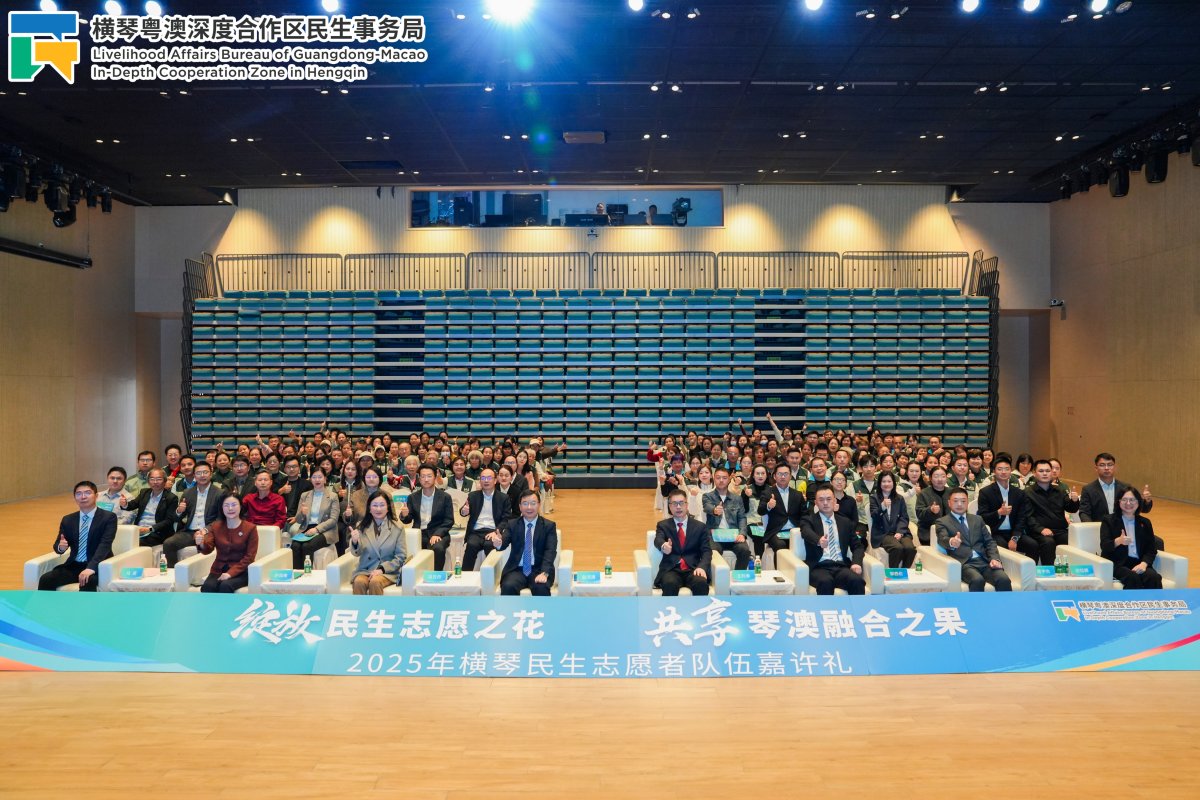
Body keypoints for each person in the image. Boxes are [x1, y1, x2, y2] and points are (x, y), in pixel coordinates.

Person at [38, 481, 118, 591]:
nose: (83, 497)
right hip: (74, 565)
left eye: (87, 493)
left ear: (96, 496)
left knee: (87, 580)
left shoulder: (108, 517)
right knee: (46, 579)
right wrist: (61, 547)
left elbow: (105, 545)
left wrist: (91, 568)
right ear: (75, 498)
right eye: (79, 494)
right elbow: (58, 545)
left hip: (98, 565)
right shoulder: (68, 519)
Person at [936, 487, 1011, 592]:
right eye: (955, 501)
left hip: (984, 561)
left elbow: (989, 542)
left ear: (968, 502)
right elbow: (942, 538)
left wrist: (995, 559)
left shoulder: (977, 519)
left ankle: (1005, 603)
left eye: (963, 501)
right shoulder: (942, 521)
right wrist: (951, 542)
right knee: (977, 580)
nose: (959, 504)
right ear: (949, 503)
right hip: (964, 563)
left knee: (1003, 579)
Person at [799, 486, 866, 595]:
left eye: (829, 499)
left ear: (835, 501)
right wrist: (818, 540)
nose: (825, 503)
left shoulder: (845, 522)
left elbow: (858, 546)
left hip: (841, 566)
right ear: (816, 503)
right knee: (826, 582)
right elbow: (805, 531)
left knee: (856, 581)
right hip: (818, 567)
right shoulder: (808, 520)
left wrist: (856, 563)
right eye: (821, 500)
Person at [976, 453, 1038, 563]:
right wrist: (998, 513)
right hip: (995, 532)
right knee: (1003, 547)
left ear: (1011, 471)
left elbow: (1021, 518)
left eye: (1006, 469)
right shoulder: (985, 492)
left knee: (1033, 545)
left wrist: (1015, 538)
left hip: (1013, 532)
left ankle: (1029, 572)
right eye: (1000, 469)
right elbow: (982, 517)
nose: (1003, 472)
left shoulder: (1018, 493)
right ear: (994, 472)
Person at [1099, 486, 1162, 590]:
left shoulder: (1145, 523)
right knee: (1133, 578)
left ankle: (1154, 601)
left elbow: (1151, 550)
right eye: (1124, 500)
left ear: (1138, 502)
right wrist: (1118, 541)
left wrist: (1144, 564)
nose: (1128, 503)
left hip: (1139, 562)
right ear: (1119, 502)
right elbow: (1104, 546)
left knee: (1153, 577)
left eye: (1132, 500)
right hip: (1118, 564)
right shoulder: (1109, 520)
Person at [496, 490, 558, 596]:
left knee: (541, 588)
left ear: (539, 505)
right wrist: (499, 543)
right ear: (520, 507)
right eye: (525, 503)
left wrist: (544, 573)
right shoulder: (512, 524)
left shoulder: (548, 526)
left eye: (533, 503)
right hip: (517, 570)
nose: (529, 507)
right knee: (508, 586)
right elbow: (503, 543)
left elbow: (550, 551)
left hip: (539, 570)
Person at [162, 461, 223, 566]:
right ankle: (173, 572)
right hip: (189, 532)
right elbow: (176, 518)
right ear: (194, 475)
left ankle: (203, 573)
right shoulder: (188, 492)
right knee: (168, 543)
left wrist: (205, 530)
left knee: (203, 544)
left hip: (209, 531)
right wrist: (179, 511)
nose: (202, 475)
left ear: (211, 474)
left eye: (205, 472)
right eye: (199, 473)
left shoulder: (219, 493)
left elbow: (221, 519)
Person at [195, 493, 259, 593]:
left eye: (234, 505)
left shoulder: (250, 528)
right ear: (222, 508)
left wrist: (230, 573)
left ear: (240, 506)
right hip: (218, 570)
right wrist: (201, 543)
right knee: (207, 587)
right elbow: (208, 549)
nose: (230, 508)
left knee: (225, 586)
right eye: (226, 505)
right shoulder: (216, 526)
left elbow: (249, 557)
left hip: (241, 571)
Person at [654, 490, 712, 596]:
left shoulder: (700, 527)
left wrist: (702, 567)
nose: (678, 507)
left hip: (693, 569)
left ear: (687, 505)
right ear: (669, 507)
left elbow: (706, 551)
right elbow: (658, 539)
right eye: (674, 504)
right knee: (669, 584)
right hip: (672, 569)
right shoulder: (663, 525)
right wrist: (663, 545)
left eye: (681, 503)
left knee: (700, 583)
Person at [349, 490, 407, 594]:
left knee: (375, 582)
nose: (378, 509)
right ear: (369, 508)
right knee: (359, 582)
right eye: (375, 505)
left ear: (388, 508)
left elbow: (401, 557)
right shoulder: (362, 526)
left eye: (382, 505)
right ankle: (359, 605)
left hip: (387, 572)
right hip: (365, 570)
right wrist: (355, 542)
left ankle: (377, 606)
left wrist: (382, 569)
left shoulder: (397, 528)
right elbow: (357, 553)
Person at [398, 464, 454, 571]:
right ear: (419, 478)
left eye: (429, 476)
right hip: (419, 532)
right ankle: (415, 576)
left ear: (435, 477)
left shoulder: (445, 497)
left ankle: (435, 576)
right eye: (423, 476)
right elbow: (408, 520)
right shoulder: (413, 497)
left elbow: (449, 520)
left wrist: (438, 534)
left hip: (438, 532)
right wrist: (404, 515)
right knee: (410, 548)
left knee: (438, 548)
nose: (426, 479)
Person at [1025, 459, 1080, 566]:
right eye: (1041, 471)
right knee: (1048, 542)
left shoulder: (1060, 490)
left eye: (1047, 471)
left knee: (1072, 540)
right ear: (1034, 473)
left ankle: (1071, 572)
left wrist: (1074, 501)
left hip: (1060, 530)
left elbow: (1071, 509)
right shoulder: (1028, 493)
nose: (1045, 473)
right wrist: (1040, 529)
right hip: (1039, 531)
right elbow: (1028, 516)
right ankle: (1049, 572)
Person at [288, 467, 340, 570]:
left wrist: (316, 529)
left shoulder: (333, 496)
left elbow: (333, 520)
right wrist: (302, 513)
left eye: (320, 477)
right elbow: (299, 520)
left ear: (325, 479)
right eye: (314, 477)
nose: (317, 480)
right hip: (306, 528)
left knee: (307, 546)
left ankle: (308, 574)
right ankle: (298, 574)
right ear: (310, 479)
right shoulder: (305, 495)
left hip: (325, 530)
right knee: (295, 546)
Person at [1079, 452, 1154, 522]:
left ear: (1114, 467)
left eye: (1110, 464)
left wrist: (1147, 501)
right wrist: (1091, 527)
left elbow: (1144, 509)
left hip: (1122, 527)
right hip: (1100, 528)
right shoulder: (1088, 490)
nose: (1106, 468)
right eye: (1102, 465)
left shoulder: (1125, 488)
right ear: (1096, 468)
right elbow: (1084, 513)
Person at [703, 467, 751, 570]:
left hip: (733, 535)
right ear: (714, 479)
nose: (721, 480)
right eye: (718, 478)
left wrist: (742, 534)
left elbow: (742, 518)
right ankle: (718, 577)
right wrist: (715, 510)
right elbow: (707, 507)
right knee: (713, 552)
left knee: (745, 550)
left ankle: (737, 576)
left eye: (724, 478)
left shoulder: (737, 498)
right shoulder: (707, 496)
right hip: (714, 536)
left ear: (729, 479)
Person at [460, 468, 509, 571]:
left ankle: (492, 576)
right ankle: (465, 575)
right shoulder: (473, 496)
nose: (486, 481)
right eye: (483, 478)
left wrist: (496, 531)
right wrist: (464, 511)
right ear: (480, 481)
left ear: (495, 480)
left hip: (493, 531)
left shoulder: (503, 498)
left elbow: (506, 519)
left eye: (489, 478)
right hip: (476, 531)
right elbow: (463, 510)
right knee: (471, 545)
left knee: (489, 545)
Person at [759, 463, 807, 561]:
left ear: (790, 476)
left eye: (786, 474)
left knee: (807, 542)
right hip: (776, 531)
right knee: (781, 545)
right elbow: (760, 510)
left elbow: (805, 515)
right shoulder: (767, 493)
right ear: (774, 476)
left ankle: (801, 569)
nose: (783, 477)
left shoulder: (798, 494)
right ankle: (781, 570)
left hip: (795, 530)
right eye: (780, 474)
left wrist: (803, 529)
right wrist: (768, 506)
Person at [120, 468, 178, 547]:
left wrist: (150, 529)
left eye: (159, 479)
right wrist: (125, 504)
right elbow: (132, 505)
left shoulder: (171, 498)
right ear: (148, 481)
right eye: (152, 479)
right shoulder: (144, 492)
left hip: (157, 532)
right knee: (119, 539)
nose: (155, 482)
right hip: (139, 529)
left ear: (165, 481)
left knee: (134, 543)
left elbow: (169, 521)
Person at [870, 471, 914, 568]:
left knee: (910, 548)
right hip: (883, 533)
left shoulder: (900, 498)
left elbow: (904, 517)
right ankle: (893, 573)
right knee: (897, 548)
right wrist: (882, 507)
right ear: (879, 483)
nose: (886, 484)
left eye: (889, 481)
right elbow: (874, 516)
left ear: (893, 483)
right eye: (884, 481)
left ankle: (904, 572)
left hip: (899, 531)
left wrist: (900, 532)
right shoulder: (874, 498)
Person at [915, 466, 952, 546]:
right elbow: (919, 514)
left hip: (950, 530)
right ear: (930, 478)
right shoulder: (923, 493)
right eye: (936, 476)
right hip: (928, 532)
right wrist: (930, 510)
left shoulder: (952, 492)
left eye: (943, 476)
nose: (940, 479)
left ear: (946, 478)